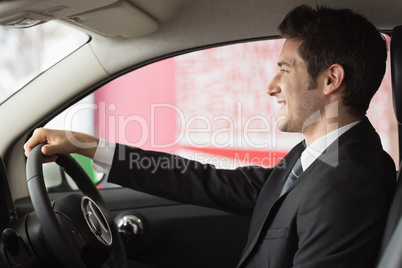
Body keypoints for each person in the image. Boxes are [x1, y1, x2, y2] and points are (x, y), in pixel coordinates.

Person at [24, 5, 396, 268]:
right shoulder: (319, 156)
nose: (271, 86)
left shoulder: (348, 177)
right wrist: (87, 146)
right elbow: (209, 181)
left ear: (331, 79)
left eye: (284, 69)